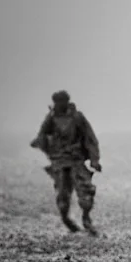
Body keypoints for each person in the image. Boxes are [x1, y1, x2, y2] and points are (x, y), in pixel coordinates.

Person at [30, 91, 102, 234]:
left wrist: (94, 160)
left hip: (76, 160)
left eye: (62, 101)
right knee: (62, 195)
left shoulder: (77, 118)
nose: (59, 104)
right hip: (60, 162)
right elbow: (41, 137)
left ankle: (86, 219)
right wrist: (49, 150)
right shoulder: (51, 119)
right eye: (57, 101)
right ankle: (66, 220)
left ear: (67, 101)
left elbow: (90, 139)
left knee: (86, 192)